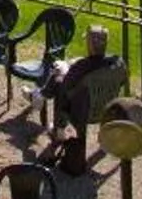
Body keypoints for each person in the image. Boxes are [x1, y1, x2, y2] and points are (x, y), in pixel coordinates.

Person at [40, 26, 126, 176]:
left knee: (58, 81)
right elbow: (122, 82)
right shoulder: (117, 62)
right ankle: (40, 96)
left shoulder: (81, 66)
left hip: (82, 113)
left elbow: (66, 87)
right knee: (61, 82)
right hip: (106, 109)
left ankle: (57, 127)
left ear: (89, 44)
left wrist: (63, 70)